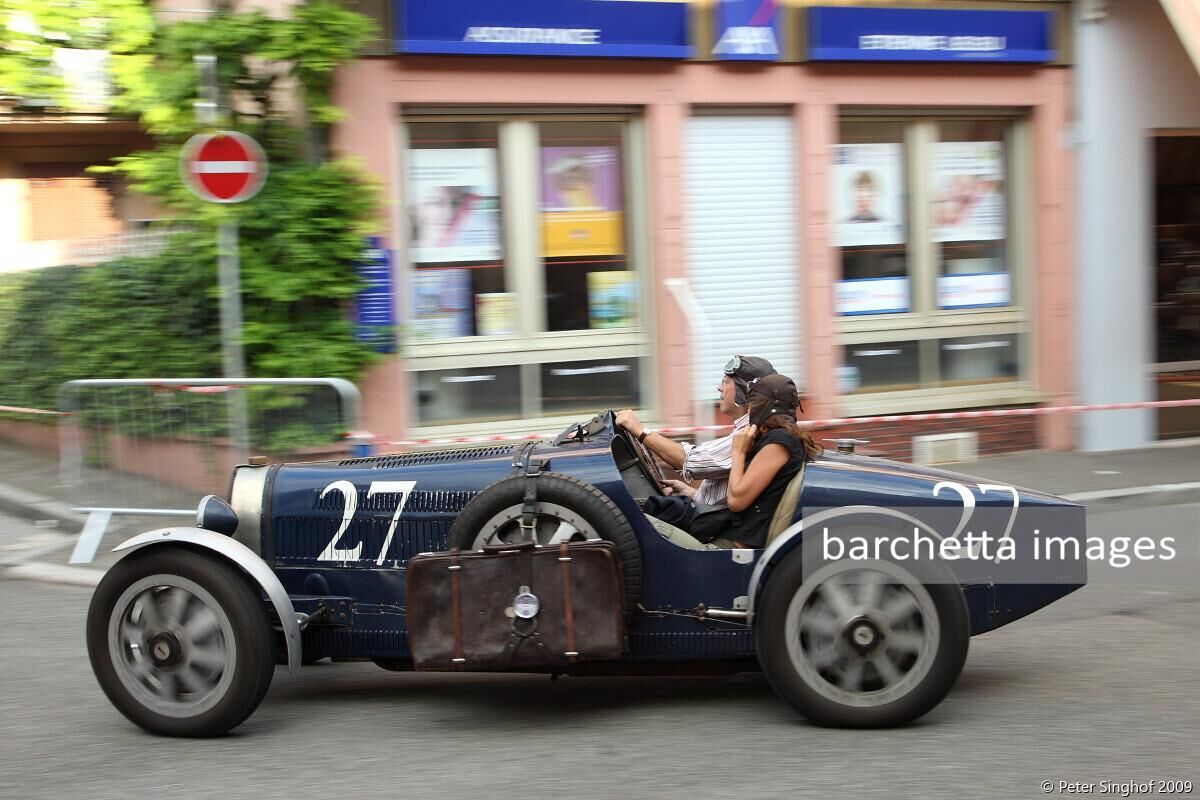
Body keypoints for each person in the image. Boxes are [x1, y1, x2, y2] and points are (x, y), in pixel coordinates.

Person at [615, 354, 777, 507]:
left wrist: (639, 429)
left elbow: (688, 460)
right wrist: (691, 492)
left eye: (726, 382)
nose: (719, 388)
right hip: (710, 514)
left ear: (744, 392)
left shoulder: (749, 434)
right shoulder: (750, 429)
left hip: (714, 523)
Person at [723, 373, 821, 548]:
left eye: (752, 405)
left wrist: (738, 451)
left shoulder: (778, 442)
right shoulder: (779, 438)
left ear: (764, 407)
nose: (749, 411)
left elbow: (736, 501)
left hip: (734, 546)